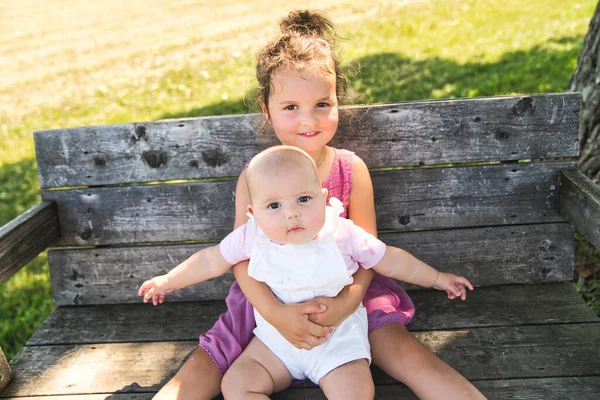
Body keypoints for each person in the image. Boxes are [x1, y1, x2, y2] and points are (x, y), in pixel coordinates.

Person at [152, 9, 487, 400]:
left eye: (322, 104)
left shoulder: (349, 169)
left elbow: (369, 255)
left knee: (402, 351)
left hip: (346, 292)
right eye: (291, 107)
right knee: (209, 366)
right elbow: (241, 259)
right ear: (266, 108)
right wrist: (276, 314)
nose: (308, 119)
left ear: (336, 100)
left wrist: (346, 305)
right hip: (267, 295)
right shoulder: (254, 176)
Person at [140, 146, 475, 399]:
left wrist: (436, 278)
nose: (292, 215)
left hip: (337, 338)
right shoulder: (250, 236)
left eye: (303, 199)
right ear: (253, 213)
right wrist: (167, 281)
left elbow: (390, 261)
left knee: (356, 390)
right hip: (275, 341)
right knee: (237, 384)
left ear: (324, 197)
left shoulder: (342, 233)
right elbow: (211, 261)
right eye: (275, 206)